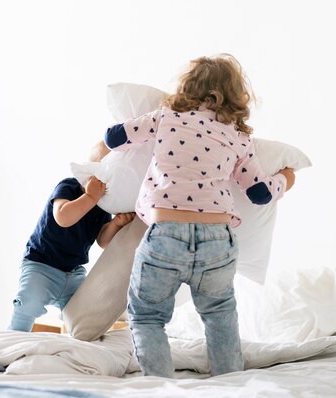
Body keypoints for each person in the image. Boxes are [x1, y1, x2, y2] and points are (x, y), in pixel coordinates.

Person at [104, 54, 296, 377]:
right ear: (235, 96)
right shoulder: (238, 136)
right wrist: (287, 178)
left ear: (188, 88)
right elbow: (259, 193)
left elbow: (114, 137)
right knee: (220, 314)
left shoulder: (166, 116)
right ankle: (229, 384)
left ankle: (161, 388)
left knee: (148, 316)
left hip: (166, 234)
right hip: (217, 242)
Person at [8, 141, 135, 332]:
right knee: (28, 304)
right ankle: (12, 343)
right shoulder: (69, 186)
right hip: (41, 266)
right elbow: (63, 218)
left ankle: (77, 347)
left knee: (83, 317)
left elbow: (102, 241)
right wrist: (90, 197)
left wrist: (116, 224)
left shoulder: (102, 206)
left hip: (74, 273)